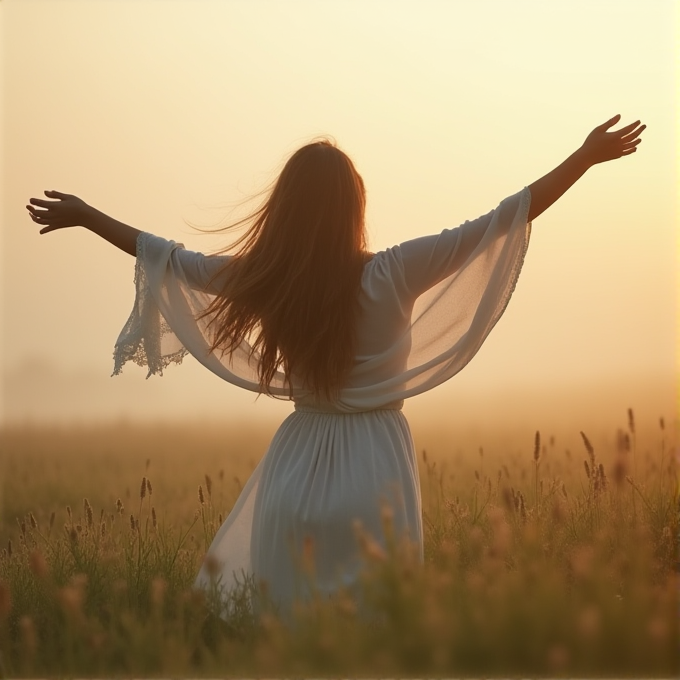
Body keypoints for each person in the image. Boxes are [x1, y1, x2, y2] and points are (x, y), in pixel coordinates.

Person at [26, 114, 645, 619]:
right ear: (355, 205)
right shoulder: (394, 271)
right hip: (373, 464)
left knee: (282, 625)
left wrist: (87, 216)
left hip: (295, 464)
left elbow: (168, 257)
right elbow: (505, 218)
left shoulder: (268, 281)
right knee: (371, 630)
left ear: (285, 210)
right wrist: (582, 158)